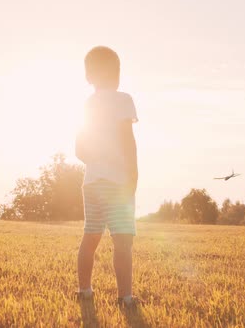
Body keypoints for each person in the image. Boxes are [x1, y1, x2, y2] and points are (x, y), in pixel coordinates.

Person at [75, 46, 140, 308]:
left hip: (92, 183)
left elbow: (79, 149)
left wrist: (97, 161)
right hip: (118, 182)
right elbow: (128, 140)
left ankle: (84, 291)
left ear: (88, 76)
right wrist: (133, 173)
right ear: (116, 73)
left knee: (90, 236)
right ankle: (125, 297)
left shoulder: (87, 104)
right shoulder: (123, 100)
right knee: (123, 240)